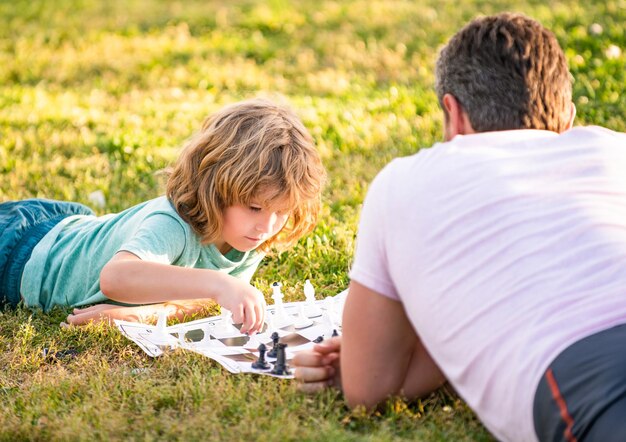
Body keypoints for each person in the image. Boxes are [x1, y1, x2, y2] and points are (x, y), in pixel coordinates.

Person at [294, 13, 626, 442]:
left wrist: (367, 359)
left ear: (454, 113)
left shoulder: (405, 182)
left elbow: (368, 390)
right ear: (569, 117)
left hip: (590, 374)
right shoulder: (615, 149)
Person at [0, 98, 326, 335]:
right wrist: (219, 284)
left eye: (281, 212)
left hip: (66, 233)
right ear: (214, 187)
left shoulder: (247, 239)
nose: (266, 226)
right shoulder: (174, 223)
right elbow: (116, 278)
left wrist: (138, 316)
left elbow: (204, 302)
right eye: (254, 207)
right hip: (21, 250)